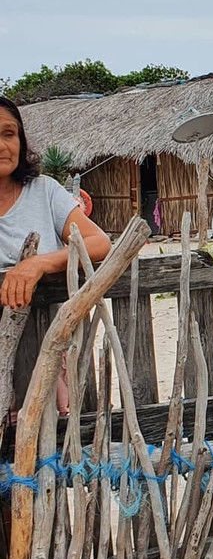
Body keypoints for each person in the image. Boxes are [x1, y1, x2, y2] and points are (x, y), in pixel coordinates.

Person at [0, 95, 112, 414]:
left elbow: (98, 242)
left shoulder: (44, 191)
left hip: (54, 351)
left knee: (59, 444)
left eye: (9, 134)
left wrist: (38, 263)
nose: (2, 145)